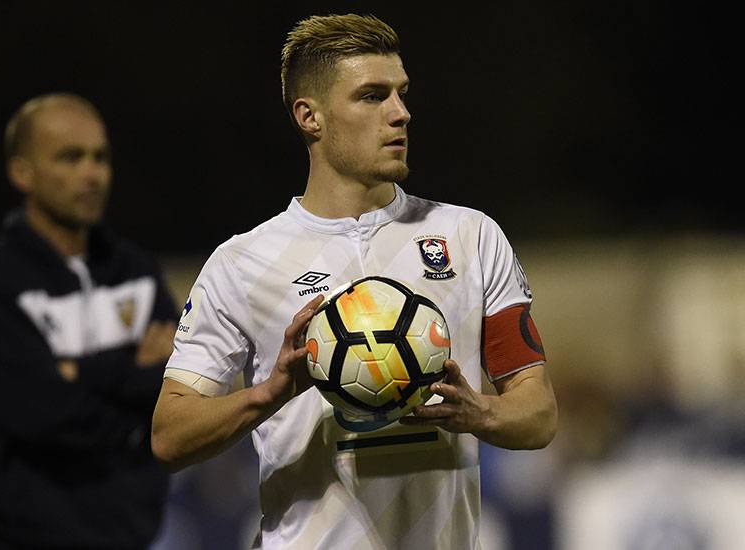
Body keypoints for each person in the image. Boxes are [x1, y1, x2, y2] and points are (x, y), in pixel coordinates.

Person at [152, 13, 557, 549]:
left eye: (402, 93)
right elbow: (169, 434)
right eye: (372, 96)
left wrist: (480, 412)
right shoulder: (240, 263)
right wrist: (266, 396)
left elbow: (539, 413)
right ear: (309, 116)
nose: (400, 113)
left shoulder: (470, 237)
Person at [0, 93, 178, 549]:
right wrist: (133, 374)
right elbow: (37, 415)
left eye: (100, 158)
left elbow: (178, 389)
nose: (91, 174)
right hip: (21, 536)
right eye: (70, 158)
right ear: (22, 172)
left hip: (131, 535)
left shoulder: (135, 270)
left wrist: (78, 374)